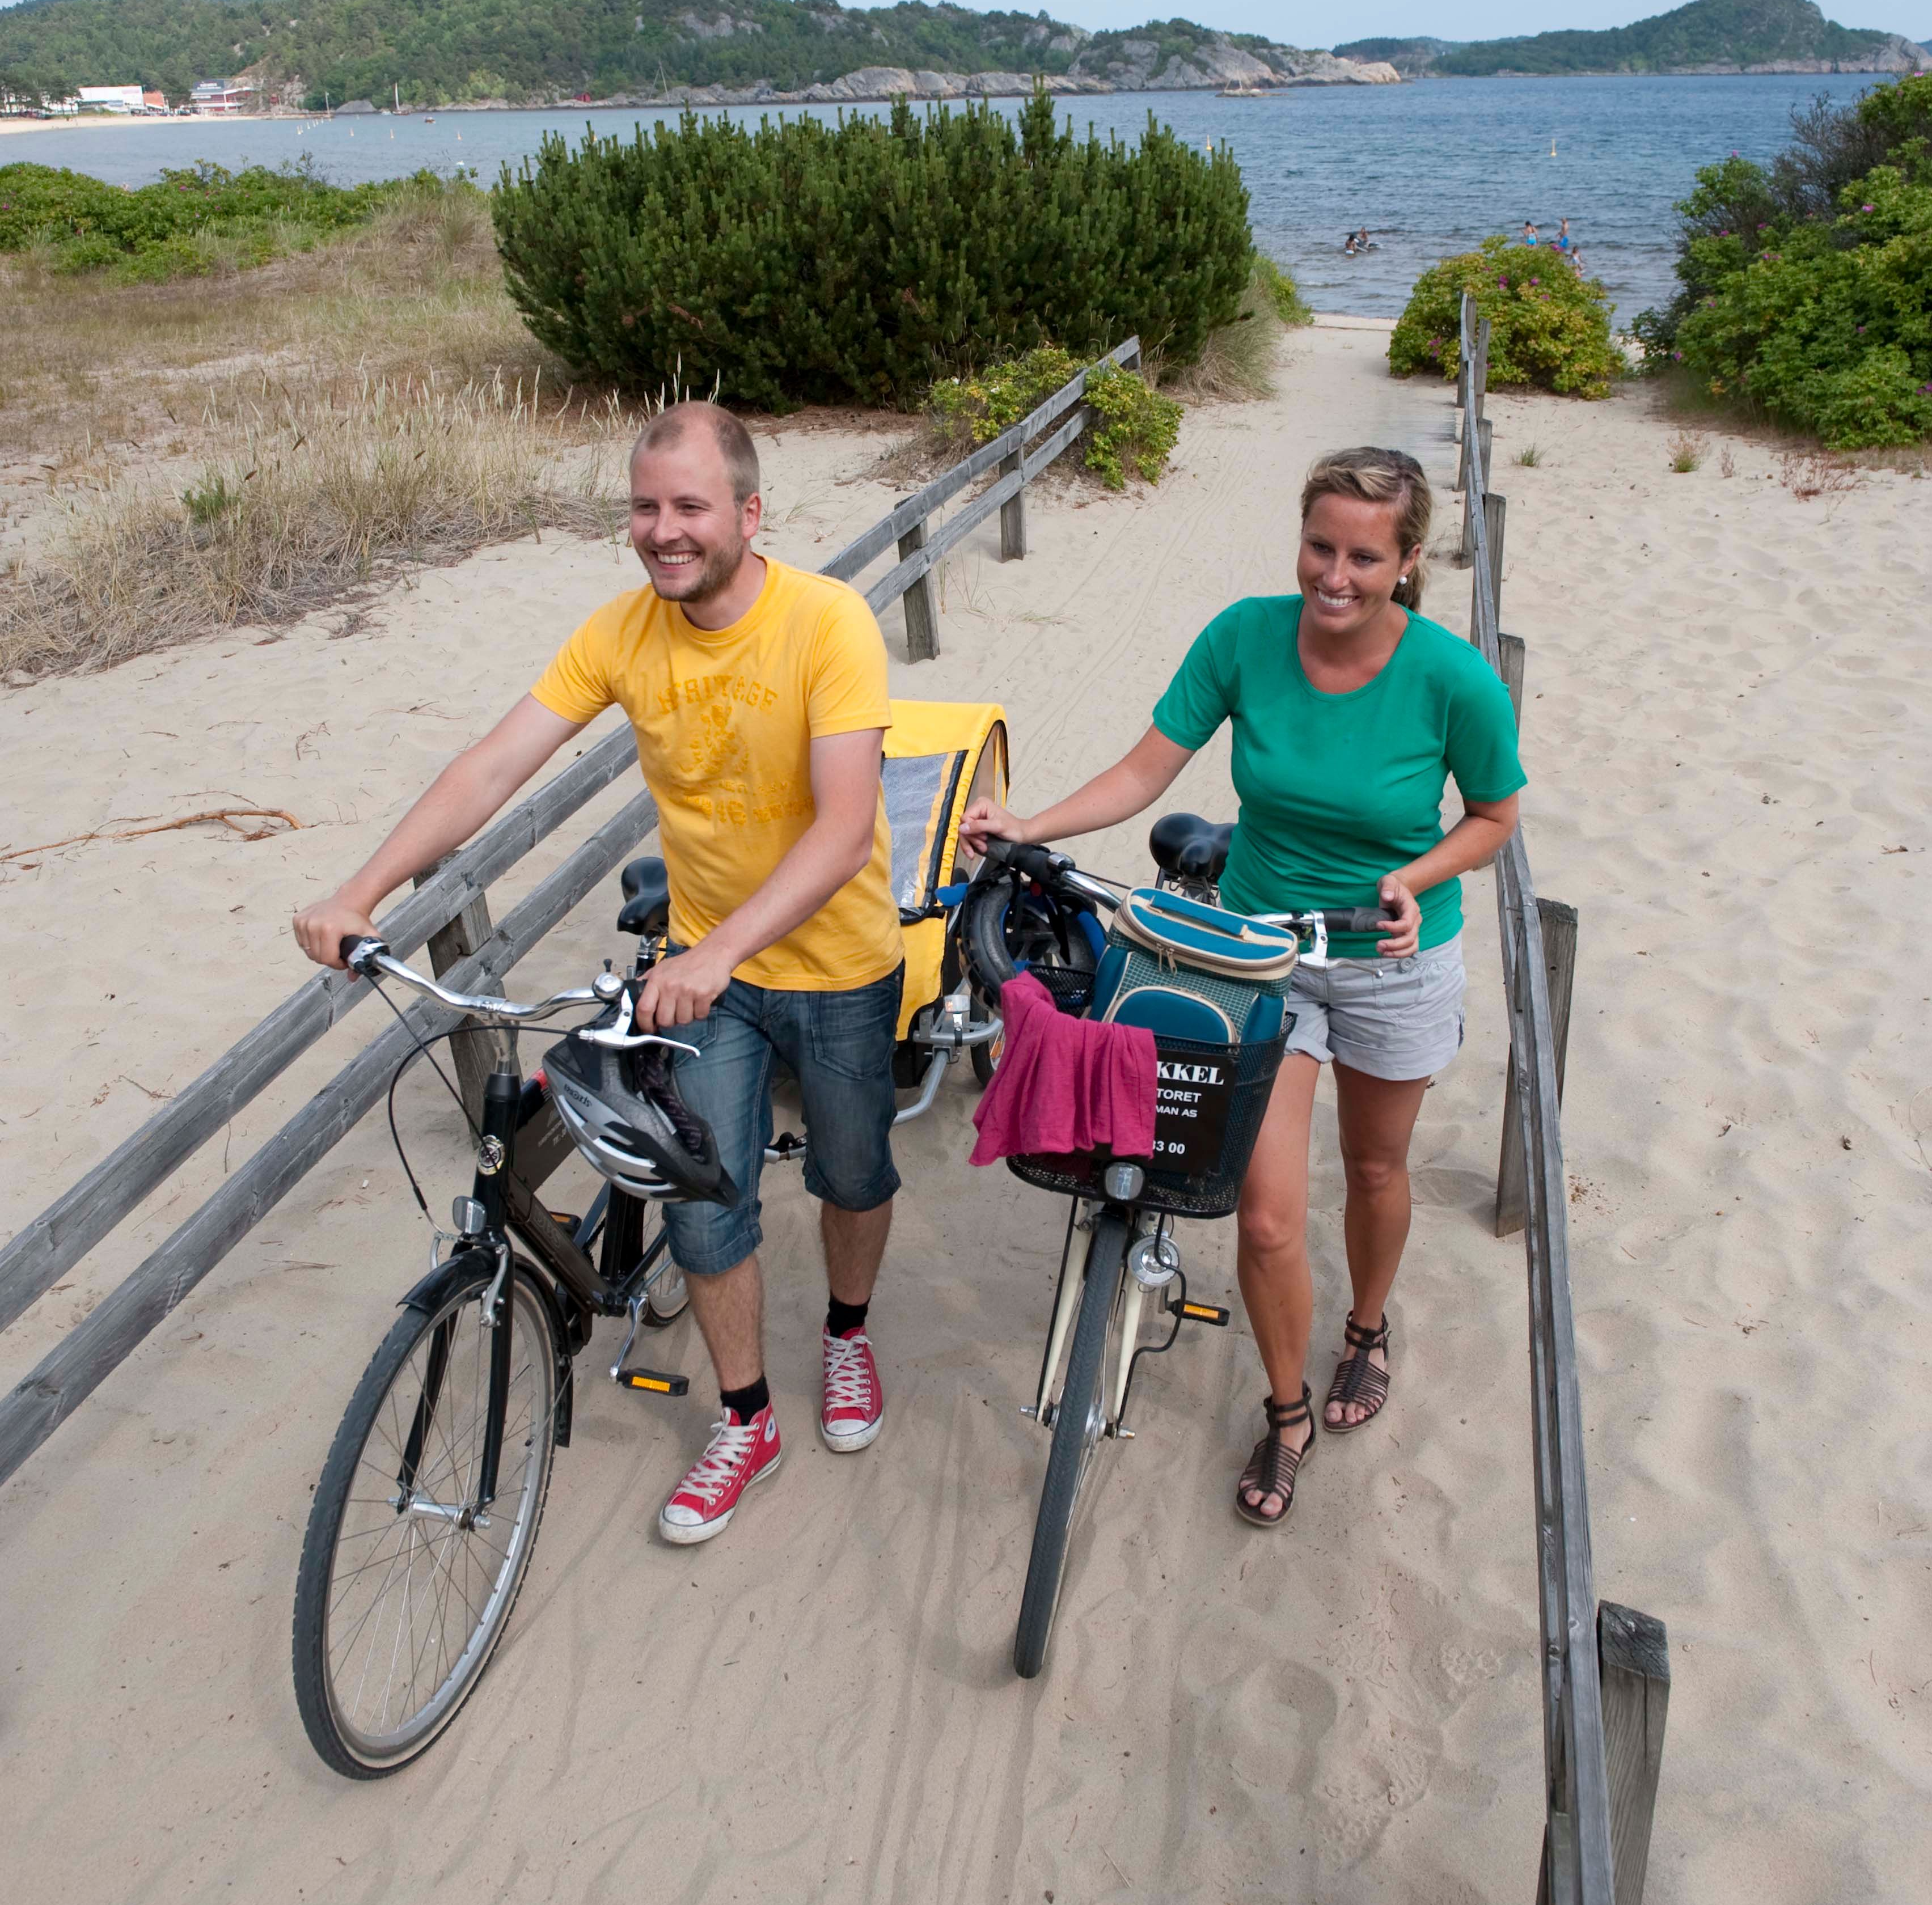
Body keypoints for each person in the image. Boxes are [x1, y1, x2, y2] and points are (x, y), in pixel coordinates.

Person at [293, 402, 904, 1550]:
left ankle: (848, 1330)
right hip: (701, 983)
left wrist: (723, 946)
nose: (663, 531)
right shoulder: (622, 632)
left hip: (835, 964)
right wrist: (361, 888)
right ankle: (749, 1417)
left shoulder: (828, 623)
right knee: (703, 1201)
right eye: (644, 506)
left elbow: (842, 828)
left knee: (854, 1174)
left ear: (749, 513)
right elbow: (492, 765)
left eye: (689, 506)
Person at [960, 447, 1524, 1533]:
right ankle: (1288, 1409)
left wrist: (1412, 878)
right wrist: (1029, 824)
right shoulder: (1245, 637)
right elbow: (1144, 771)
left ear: (1407, 563)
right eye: (1322, 545)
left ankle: (1365, 1327)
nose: (1336, 575)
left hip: (1391, 956)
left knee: (1373, 1165)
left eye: (1366, 556)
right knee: (1264, 1218)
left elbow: (1495, 818)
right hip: (1258, 954)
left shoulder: (1455, 680)